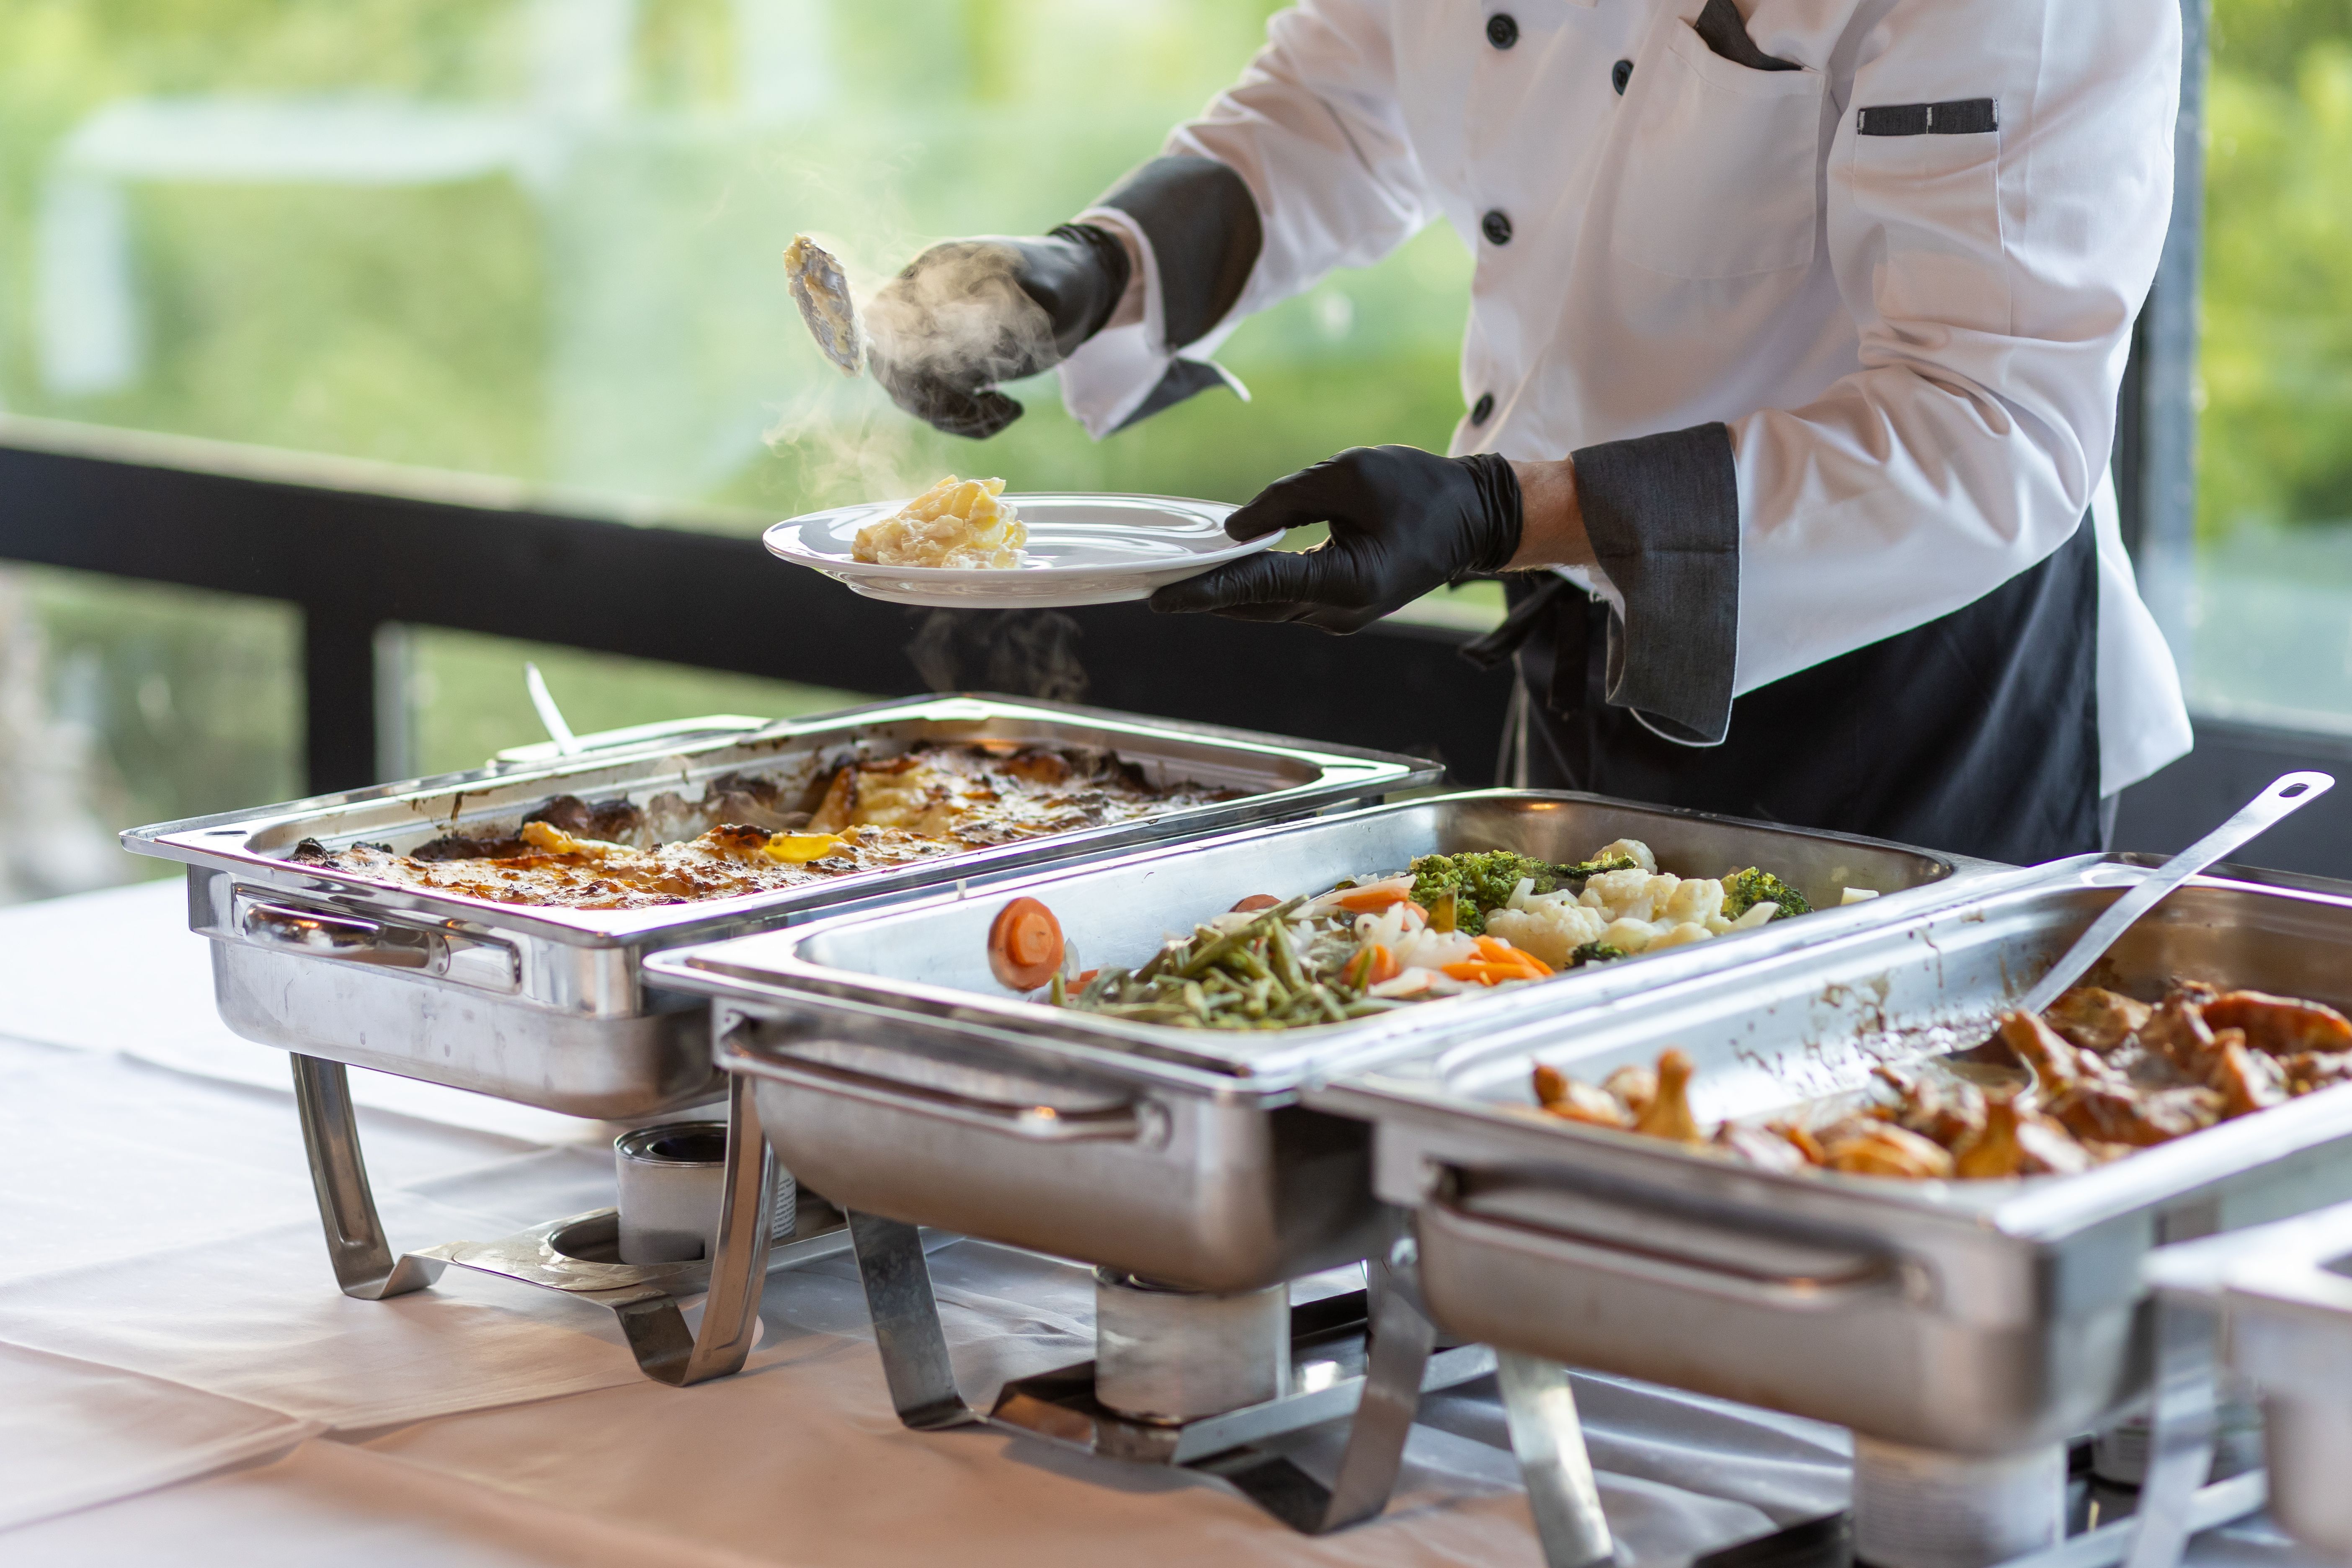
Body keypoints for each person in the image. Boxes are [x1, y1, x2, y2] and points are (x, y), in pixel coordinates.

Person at [860, 0, 2192, 864]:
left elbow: (1985, 427)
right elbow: (1336, 99)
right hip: (1582, 622)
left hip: (1905, 682)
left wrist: (1504, 513)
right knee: (1569, 1129)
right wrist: (1104, 265)